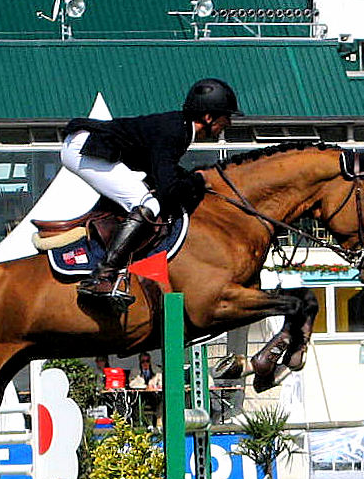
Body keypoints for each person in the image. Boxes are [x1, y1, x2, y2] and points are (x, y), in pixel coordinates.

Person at [60, 78, 243, 309]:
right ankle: (102, 275)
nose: (227, 124)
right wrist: (198, 180)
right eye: (226, 118)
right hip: (84, 149)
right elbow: (168, 190)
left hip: (90, 147)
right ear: (208, 117)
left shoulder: (180, 128)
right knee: (147, 204)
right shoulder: (175, 132)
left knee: (143, 197)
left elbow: (160, 172)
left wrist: (192, 180)